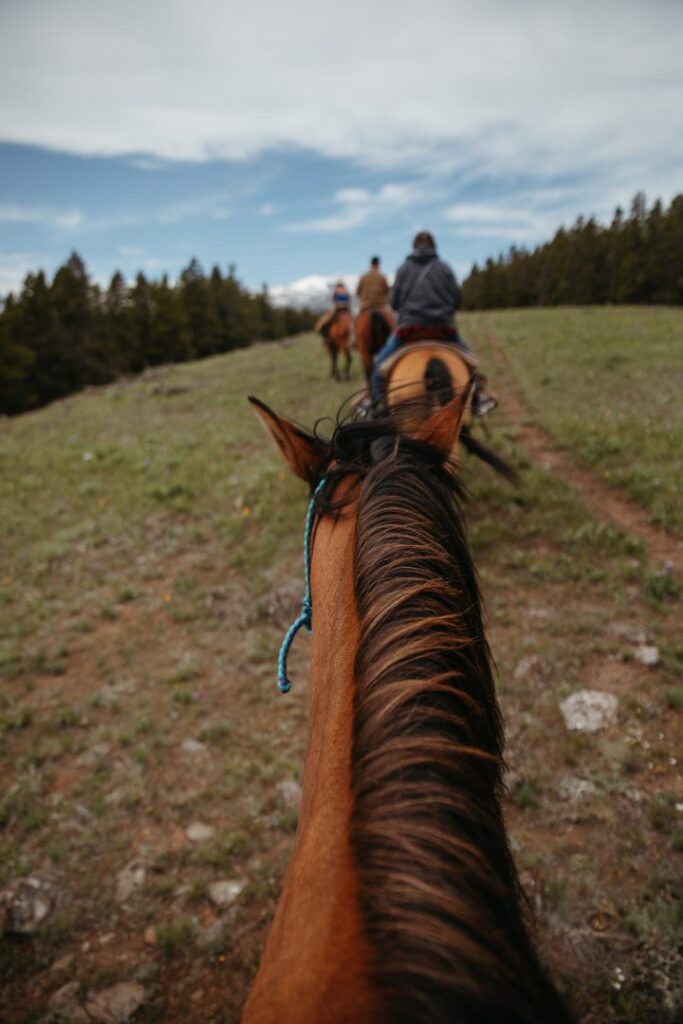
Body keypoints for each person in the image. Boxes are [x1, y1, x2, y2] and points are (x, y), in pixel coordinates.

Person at [371, 231, 496, 414]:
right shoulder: (445, 268)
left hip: (409, 330)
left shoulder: (403, 269)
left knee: (379, 366)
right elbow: (456, 299)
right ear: (434, 246)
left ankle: (375, 405)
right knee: (471, 363)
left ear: (414, 247)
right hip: (443, 329)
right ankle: (478, 398)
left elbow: (394, 302)